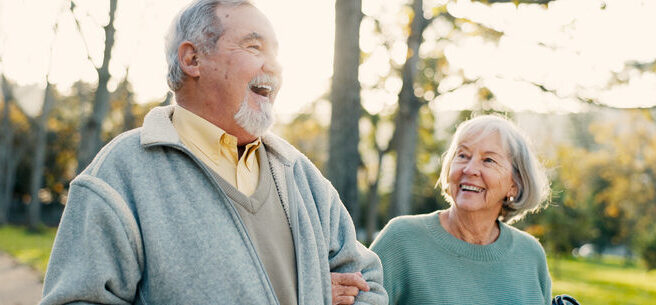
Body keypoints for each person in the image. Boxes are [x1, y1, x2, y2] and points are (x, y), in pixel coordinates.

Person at [40, 1, 386, 304]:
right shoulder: (119, 174)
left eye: (276, 53)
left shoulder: (299, 173)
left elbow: (367, 284)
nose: (275, 67)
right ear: (193, 59)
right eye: (254, 47)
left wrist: (310, 293)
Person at [370, 115, 552, 305]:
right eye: (463, 155)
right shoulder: (402, 239)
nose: (469, 169)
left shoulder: (530, 254)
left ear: (514, 184)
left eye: (488, 160)